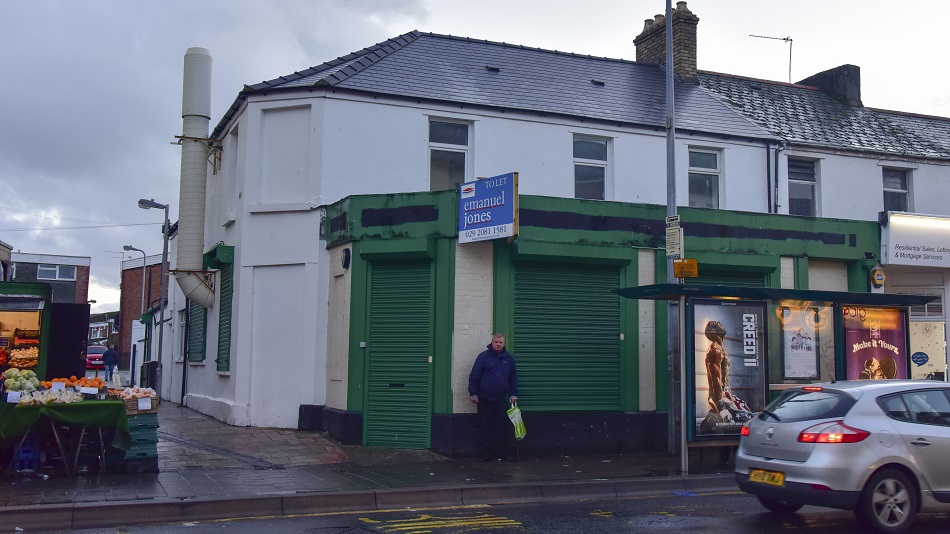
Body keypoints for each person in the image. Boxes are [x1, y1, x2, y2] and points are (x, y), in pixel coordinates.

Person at [469, 333, 519, 461]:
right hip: (484, 399)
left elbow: (513, 378)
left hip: (501, 399)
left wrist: (513, 393)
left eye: (500, 342)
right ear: (492, 342)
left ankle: (502, 452)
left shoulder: (508, 359)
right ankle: (486, 453)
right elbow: (474, 375)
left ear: (504, 344)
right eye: (496, 342)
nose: (498, 344)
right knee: (485, 426)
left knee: (502, 427)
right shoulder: (483, 357)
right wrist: (473, 393)